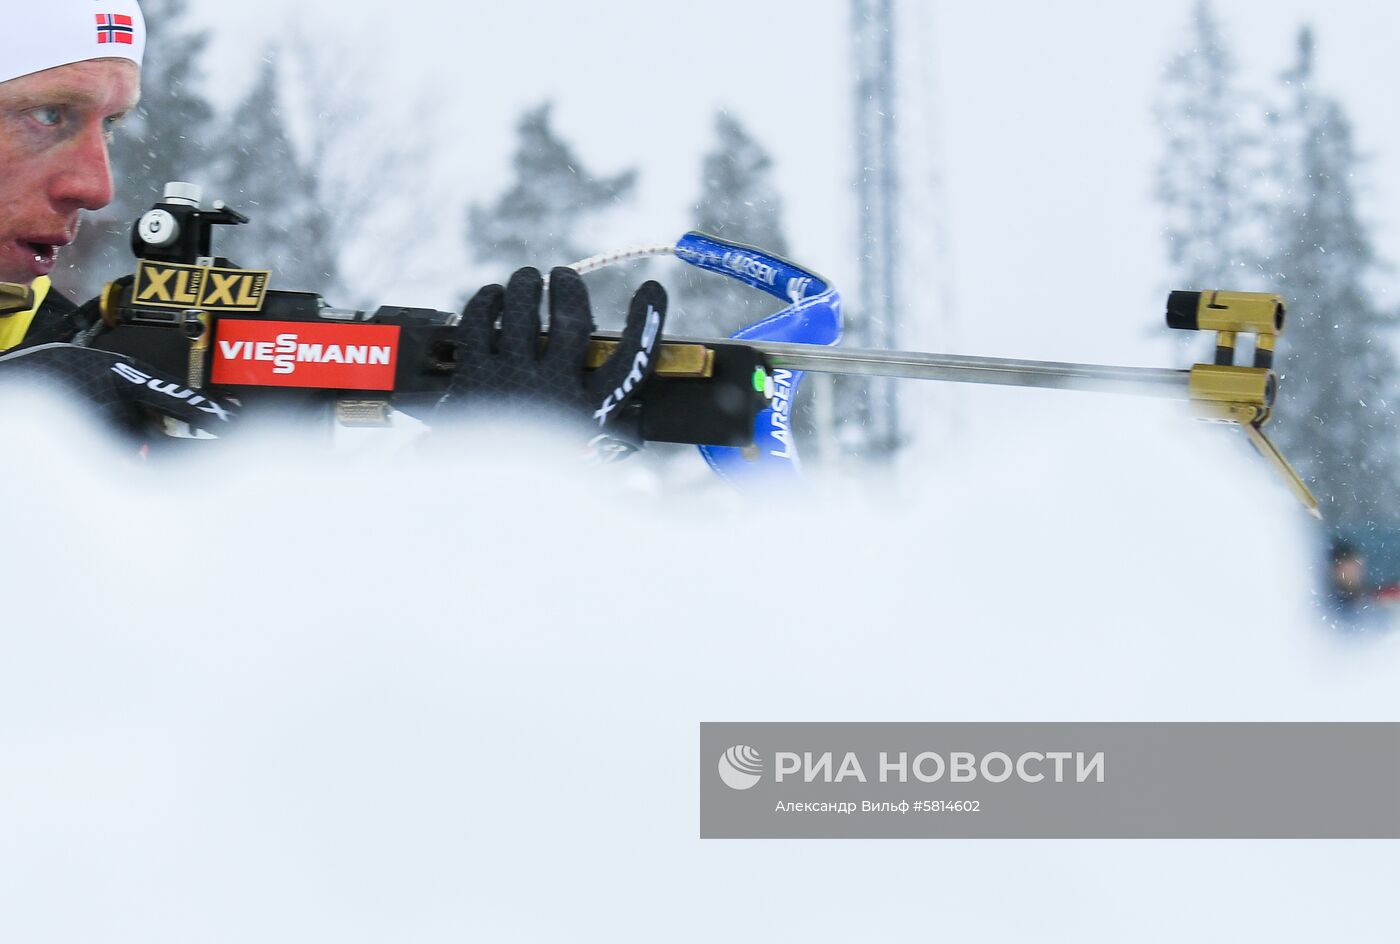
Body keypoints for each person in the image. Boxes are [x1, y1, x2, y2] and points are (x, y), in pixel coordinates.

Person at [0, 0, 665, 445]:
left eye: (110, 125)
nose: (95, 185)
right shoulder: (59, 380)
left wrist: (492, 475)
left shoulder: (79, 349)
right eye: (48, 115)